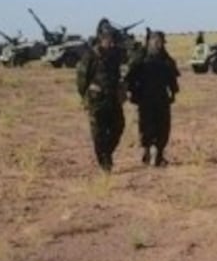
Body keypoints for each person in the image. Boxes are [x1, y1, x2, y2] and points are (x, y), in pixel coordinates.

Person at [76, 20, 128, 172]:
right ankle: (104, 162)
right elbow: (81, 80)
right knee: (99, 132)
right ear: (101, 39)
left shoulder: (115, 55)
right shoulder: (90, 56)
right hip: (97, 100)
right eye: (108, 40)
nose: (110, 43)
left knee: (118, 127)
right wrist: (85, 98)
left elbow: (127, 60)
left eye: (112, 40)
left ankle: (107, 153)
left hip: (113, 98)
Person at [125, 30, 180, 167]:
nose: (158, 44)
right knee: (146, 126)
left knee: (163, 127)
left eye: (160, 42)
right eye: (155, 41)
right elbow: (131, 78)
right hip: (145, 98)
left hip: (162, 98)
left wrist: (173, 93)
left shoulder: (166, 59)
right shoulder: (140, 59)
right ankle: (147, 152)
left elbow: (172, 79)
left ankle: (159, 154)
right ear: (149, 42)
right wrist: (133, 94)